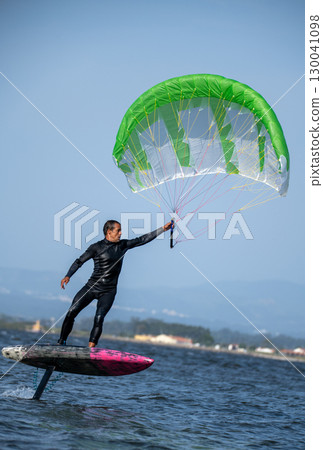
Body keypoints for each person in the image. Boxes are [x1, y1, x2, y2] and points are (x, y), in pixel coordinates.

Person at [58, 220, 172, 347]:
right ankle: (61, 342)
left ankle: (90, 350)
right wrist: (68, 275)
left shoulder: (123, 245)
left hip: (109, 290)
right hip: (91, 287)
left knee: (99, 318)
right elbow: (79, 261)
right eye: (118, 230)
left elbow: (142, 239)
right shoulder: (96, 247)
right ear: (109, 232)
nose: (121, 233)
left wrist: (163, 229)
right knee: (71, 312)